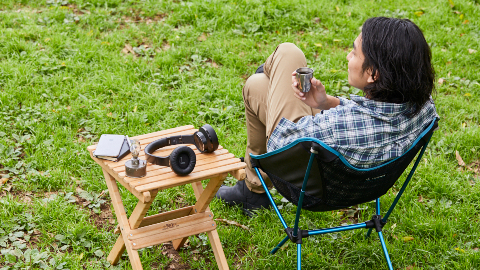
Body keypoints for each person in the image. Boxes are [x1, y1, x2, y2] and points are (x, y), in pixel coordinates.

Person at [216, 17, 439, 215]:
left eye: (354, 52)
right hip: (361, 185)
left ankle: (253, 190)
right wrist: (329, 103)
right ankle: (252, 191)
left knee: (284, 56)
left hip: (306, 184)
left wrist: (279, 90)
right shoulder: (423, 108)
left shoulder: (338, 127)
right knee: (259, 85)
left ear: (373, 74)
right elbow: (373, 115)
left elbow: (280, 147)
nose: (347, 56)